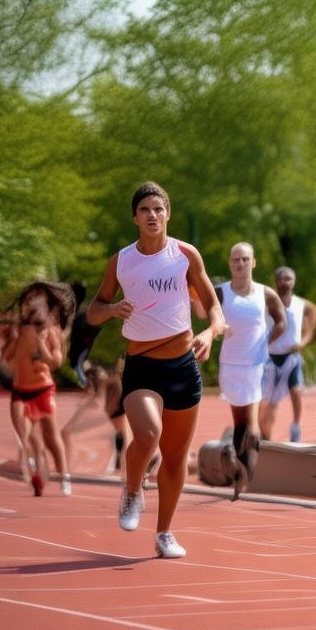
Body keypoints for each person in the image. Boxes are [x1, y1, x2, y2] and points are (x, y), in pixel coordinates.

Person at [88, 181, 225, 559]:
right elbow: (93, 310)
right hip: (142, 365)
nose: (153, 215)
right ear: (135, 217)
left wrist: (211, 333)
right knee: (148, 434)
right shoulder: (122, 261)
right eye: (145, 209)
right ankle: (132, 491)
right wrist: (112, 309)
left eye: (159, 209)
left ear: (168, 214)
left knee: (177, 457)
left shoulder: (184, 255)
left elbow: (214, 308)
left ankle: (164, 533)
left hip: (183, 366)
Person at [215, 242, 287, 499]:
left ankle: (245, 474)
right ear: (230, 263)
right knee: (239, 422)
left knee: (252, 422)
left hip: (256, 364)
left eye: (245, 259)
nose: (240, 264)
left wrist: (266, 341)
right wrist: (219, 326)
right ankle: (240, 470)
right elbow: (205, 311)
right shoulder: (220, 292)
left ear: (253, 263)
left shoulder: (266, 293)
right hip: (230, 364)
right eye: (236, 260)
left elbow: (282, 321)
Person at [3, 282, 76, 496]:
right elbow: (6, 360)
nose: (31, 303)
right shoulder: (18, 328)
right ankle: (35, 469)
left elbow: (56, 362)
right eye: (29, 299)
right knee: (23, 433)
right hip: (20, 389)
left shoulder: (53, 331)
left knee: (51, 436)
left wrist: (42, 344)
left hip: (43, 389)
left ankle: (64, 476)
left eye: (38, 298)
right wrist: (14, 340)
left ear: (47, 304)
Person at [258, 266, 316, 442]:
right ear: (276, 281)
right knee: (268, 401)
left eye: (289, 278)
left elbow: (314, 311)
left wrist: (306, 338)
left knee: (296, 392)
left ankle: (296, 426)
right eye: (282, 278)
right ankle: (265, 434)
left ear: (294, 281)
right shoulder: (268, 300)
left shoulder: (300, 303)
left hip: (291, 356)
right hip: (270, 357)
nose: (285, 281)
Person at [67, 282, 102, 388]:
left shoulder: (80, 316)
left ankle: (89, 383)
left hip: (81, 348)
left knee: (81, 364)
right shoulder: (80, 315)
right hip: (80, 348)